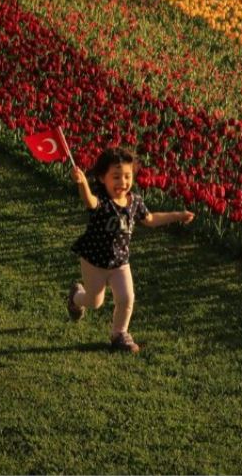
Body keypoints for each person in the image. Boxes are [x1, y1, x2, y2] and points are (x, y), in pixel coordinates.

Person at [67, 147, 195, 353]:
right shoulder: (102, 201)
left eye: (127, 176)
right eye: (116, 177)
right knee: (94, 302)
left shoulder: (134, 201)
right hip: (94, 260)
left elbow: (151, 219)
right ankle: (76, 297)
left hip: (120, 262)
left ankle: (119, 334)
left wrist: (178, 215)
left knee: (127, 298)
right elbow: (89, 202)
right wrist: (82, 184)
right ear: (102, 178)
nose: (123, 182)